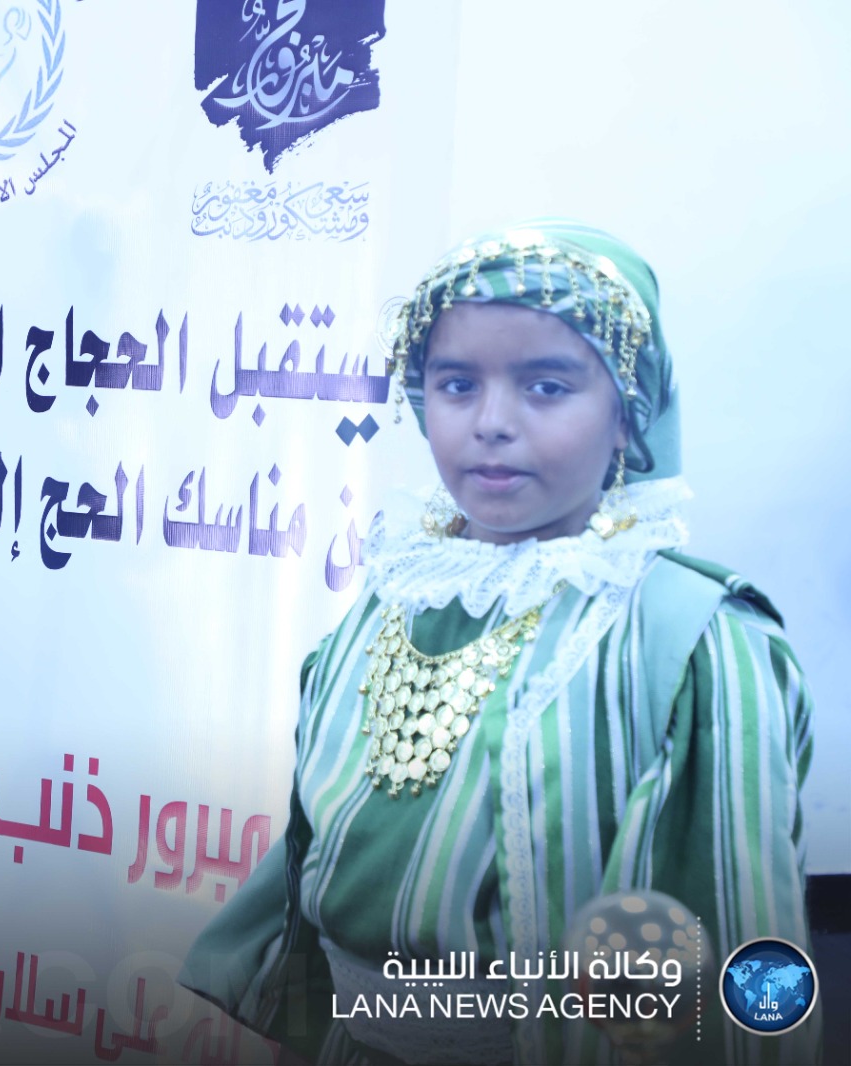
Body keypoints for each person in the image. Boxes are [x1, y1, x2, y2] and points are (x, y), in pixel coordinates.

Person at [181, 222, 816, 1064]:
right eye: (456, 385)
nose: (491, 423)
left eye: (546, 387)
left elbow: (726, 954)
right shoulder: (397, 595)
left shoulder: (689, 641)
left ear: (627, 415)